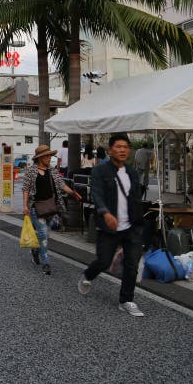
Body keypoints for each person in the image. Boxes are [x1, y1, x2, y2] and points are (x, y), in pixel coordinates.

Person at [78, 134, 147, 317]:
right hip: (109, 226)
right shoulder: (100, 171)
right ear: (110, 150)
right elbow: (97, 194)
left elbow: (135, 197)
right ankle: (88, 275)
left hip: (131, 225)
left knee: (132, 264)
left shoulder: (132, 172)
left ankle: (126, 300)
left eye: (126, 146)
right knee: (104, 261)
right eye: (118, 146)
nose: (123, 150)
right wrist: (106, 213)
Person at [22, 145, 82, 275]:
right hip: (36, 208)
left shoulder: (52, 171)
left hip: (51, 207)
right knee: (43, 234)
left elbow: (61, 185)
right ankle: (46, 263)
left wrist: (73, 193)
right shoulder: (31, 171)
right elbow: (25, 189)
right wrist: (25, 206)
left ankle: (35, 251)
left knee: (45, 235)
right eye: (46, 156)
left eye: (50, 155)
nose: (49, 158)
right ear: (39, 158)